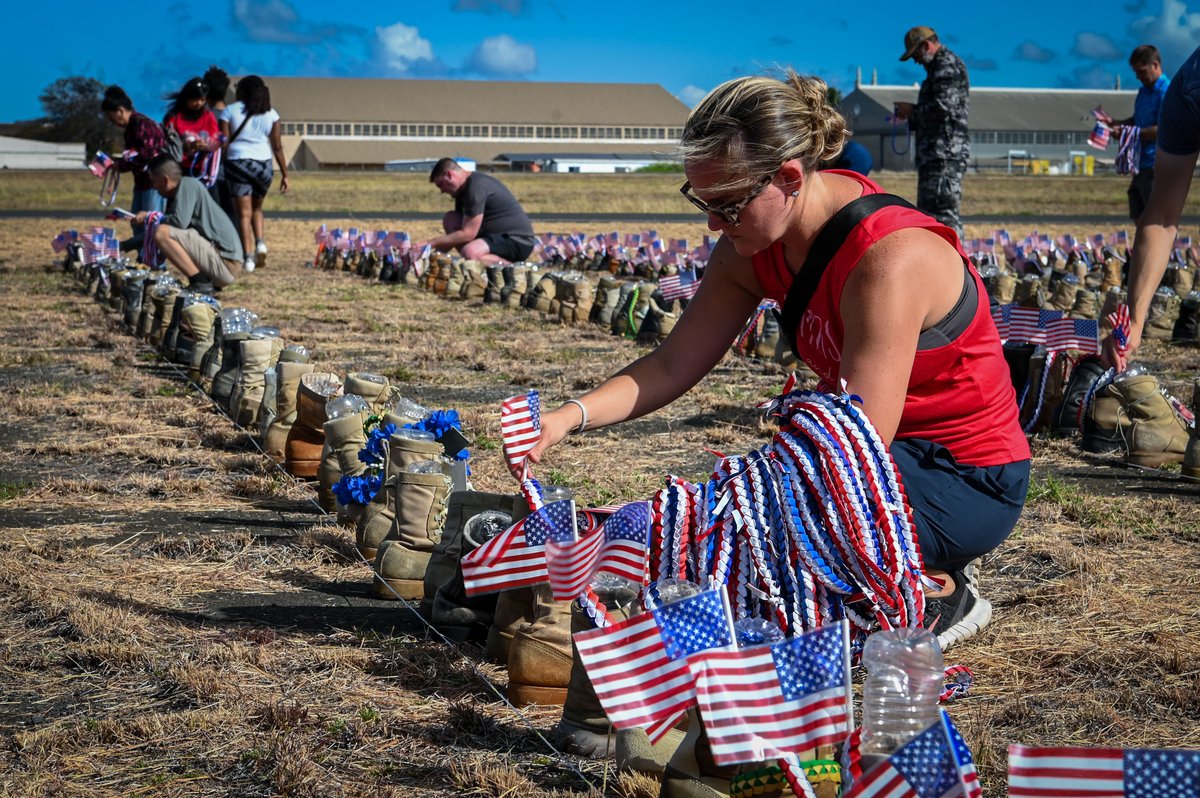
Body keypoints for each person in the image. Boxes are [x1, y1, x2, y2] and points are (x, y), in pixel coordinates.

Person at [514, 72, 1031, 647]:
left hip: (959, 477)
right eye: (701, 201)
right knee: (722, 537)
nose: (713, 224)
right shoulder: (754, 244)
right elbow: (672, 364)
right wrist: (567, 417)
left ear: (788, 178)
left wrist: (709, 515)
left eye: (727, 205)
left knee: (753, 538)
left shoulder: (890, 259)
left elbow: (858, 451)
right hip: (868, 458)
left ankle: (931, 592)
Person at [1103, 44, 1200, 370]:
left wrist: (1135, 316)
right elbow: (1159, 219)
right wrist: (1133, 318)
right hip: (1148, 163)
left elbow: (1160, 218)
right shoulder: (1179, 94)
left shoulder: (1178, 89)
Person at [891, 25, 970, 238]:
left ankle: (957, 268)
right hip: (937, 155)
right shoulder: (938, 68)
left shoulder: (946, 66)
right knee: (932, 217)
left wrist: (912, 111)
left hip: (943, 156)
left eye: (915, 54)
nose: (916, 61)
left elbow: (944, 108)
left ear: (926, 45)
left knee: (943, 217)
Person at [134, 155, 244, 292]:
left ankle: (200, 283)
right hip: (223, 263)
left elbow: (178, 222)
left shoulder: (187, 184)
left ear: (165, 180)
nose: (154, 188)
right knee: (162, 230)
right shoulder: (181, 193)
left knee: (162, 232)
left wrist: (149, 217)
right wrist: (125, 245)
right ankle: (201, 282)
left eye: (154, 182)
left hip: (226, 264)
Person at [218, 75, 289, 273]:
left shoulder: (229, 112)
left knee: (243, 214)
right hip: (264, 165)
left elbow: (223, 142)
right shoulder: (271, 114)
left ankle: (247, 257)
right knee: (257, 210)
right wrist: (285, 174)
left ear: (243, 91)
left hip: (238, 163)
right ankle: (260, 243)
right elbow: (277, 147)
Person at [427, 158, 536, 264]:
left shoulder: (476, 187)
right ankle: (474, 265)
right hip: (492, 238)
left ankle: (515, 271)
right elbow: (455, 238)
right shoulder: (462, 192)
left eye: (441, 184)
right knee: (451, 219)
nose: (442, 191)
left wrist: (429, 243)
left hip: (515, 240)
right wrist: (429, 255)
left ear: (449, 174)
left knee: (470, 252)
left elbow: (468, 234)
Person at [100, 86, 167, 256]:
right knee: (136, 222)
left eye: (111, 117)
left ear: (120, 111)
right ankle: (143, 259)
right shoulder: (131, 128)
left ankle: (154, 263)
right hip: (141, 183)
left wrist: (120, 165)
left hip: (154, 184)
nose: (111, 121)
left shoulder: (142, 125)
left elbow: (147, 155)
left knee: (150, 224)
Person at [1112, 45, 1171, 222]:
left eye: (1142, 71)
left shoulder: (1167, 92)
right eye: (1136, 72)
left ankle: (1166, 250)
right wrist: (1117, 125)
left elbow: (1165, 129)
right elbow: (1137, 121)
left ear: (1155, 65)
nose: (1138, 77)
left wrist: (1130, 134)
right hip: (1140, 163)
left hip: (1157, 164)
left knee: (1156, 221)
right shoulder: (1143, 92)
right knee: (1138, 214)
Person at [162, 77, 220, 179]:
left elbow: (215, 139)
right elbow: (167, 144)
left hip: (203, 170)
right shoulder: (174, 118)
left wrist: (206, 144)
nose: (199, 103)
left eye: (202, 100)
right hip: (179, 168)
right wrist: (188, 146)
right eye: (195, 99)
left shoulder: (208, 116)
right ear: (186, 98)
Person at [203, 65, 237, 222]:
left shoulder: (203, 119)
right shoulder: (233, 116)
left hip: (209, 175)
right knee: (232, 215)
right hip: (231, 173)